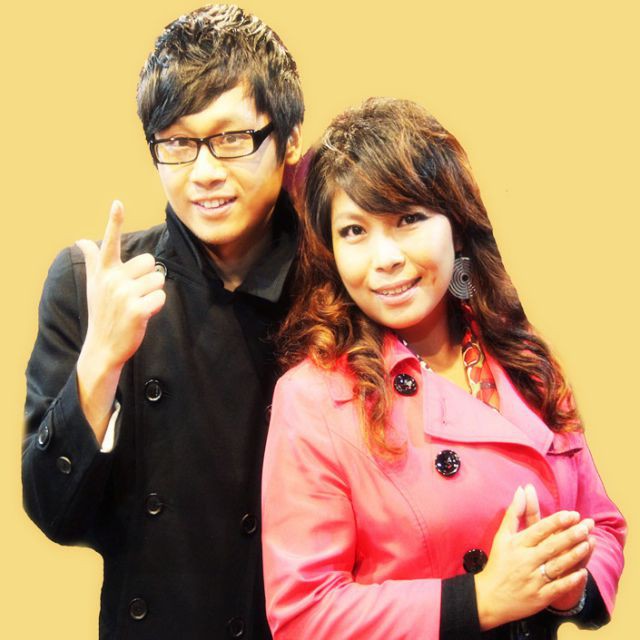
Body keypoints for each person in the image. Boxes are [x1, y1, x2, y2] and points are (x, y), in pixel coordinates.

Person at [261, 98, 625, 639]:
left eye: (408, 220)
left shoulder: (524, 358)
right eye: (354, 231)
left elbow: (603, 524)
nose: (385, 258)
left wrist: (570, 585)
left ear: (456, 227)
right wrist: (477, 600)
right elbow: (304, 613)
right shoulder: (313, 397)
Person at [22, 5, 303, 638]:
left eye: (231, 139)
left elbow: (461, 274)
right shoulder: (92, 283)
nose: (204, 173)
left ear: (289, 138)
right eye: (177, 143)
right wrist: (99, 364)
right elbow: (53, 513)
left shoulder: (335, 279)